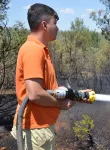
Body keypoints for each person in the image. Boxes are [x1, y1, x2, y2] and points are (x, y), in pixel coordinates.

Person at [11, 3, 91, 149]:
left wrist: (75, 95)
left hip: (40, 128)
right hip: (35, 129)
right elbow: (35, 94)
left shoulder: (41, 50)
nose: (58, 28)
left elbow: (44, 90)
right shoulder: (33, 50)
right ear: (44, 25)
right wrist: (60, 104)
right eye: (55, 23)